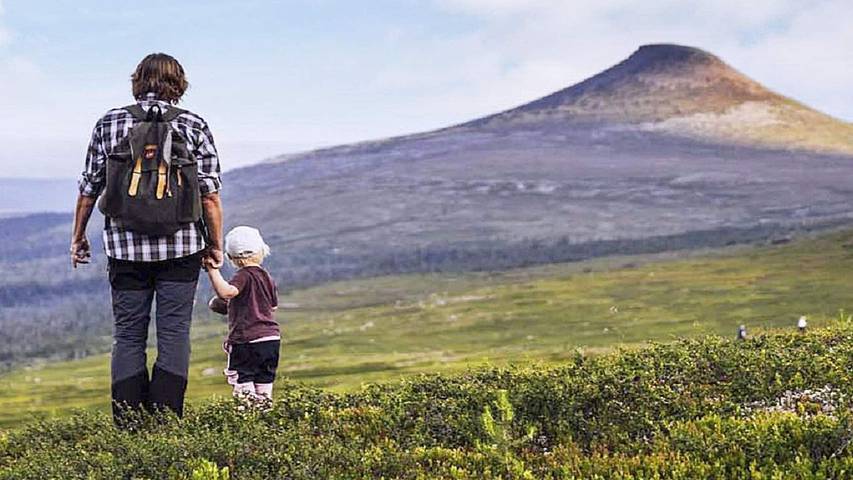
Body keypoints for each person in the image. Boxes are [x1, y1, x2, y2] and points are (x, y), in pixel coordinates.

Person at [70, 53, 224, 423]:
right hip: (182, 247)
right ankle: (167, 423)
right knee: (173, 333)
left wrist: (78, 237)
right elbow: (210, 194)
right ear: (179, 84)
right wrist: (214, 244)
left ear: (137, 80)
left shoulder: (109, 123)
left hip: (125, 249)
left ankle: (128, 425)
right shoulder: (193, 124)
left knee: (128, 335)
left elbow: (89, 188)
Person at [206, 226, 281, 400]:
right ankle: (264, 420)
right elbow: (272, 308)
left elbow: (227, 292)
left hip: (246, 341)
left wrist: (212, 271)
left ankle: (246, 422)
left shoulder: (244, 275)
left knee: (243, 384)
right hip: (270, 341)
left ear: (231, 257)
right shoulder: (267, 277)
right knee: (264, 386)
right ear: (262, 250)